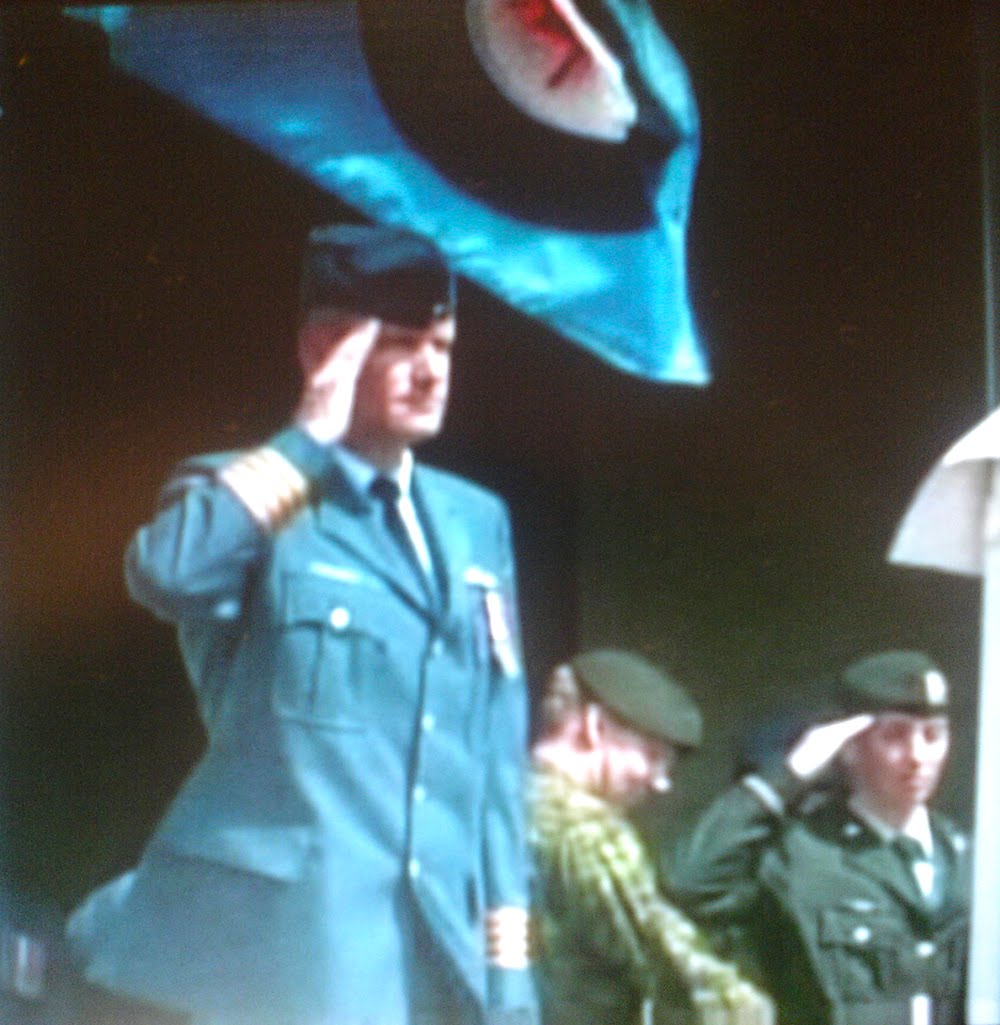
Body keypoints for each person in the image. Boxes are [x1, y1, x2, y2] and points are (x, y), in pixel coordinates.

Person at [67, 223, 536, 1025]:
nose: (431, 370)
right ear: (325, 348)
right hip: (282, 959)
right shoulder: (248, 498)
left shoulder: (475, 522)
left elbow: (494, 756)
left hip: (433, 966)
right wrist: (308, 435)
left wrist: (510, 978)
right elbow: (169, 573)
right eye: (400, 343)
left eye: (443, 346)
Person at [671, 650, 969, 1025]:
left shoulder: (968, 856)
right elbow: (688, 885)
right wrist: (786, 778)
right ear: (849, 747)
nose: (918, 756)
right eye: (894, 736)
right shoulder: (801, 855)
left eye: (933, 735)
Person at [529, 649, 775, 1025]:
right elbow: (661, 952)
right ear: (595, 727)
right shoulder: (586, 830)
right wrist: (746, 1011)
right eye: (652, 755)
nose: (660, 783)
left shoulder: (502, 803)